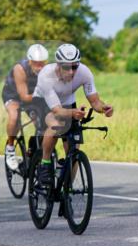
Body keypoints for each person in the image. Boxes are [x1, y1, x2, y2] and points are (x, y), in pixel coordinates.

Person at [31, 43, 114, 189]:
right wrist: (73, 113)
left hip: (67, 101)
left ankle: (66, 189)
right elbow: (57, 110)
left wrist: (103, 108)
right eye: (66, 67)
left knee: (74, 143)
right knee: (56, 125)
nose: (71, 72)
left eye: (74, 67)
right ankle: (45, 165)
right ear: (58, 65)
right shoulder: (46, 75)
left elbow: (94, 101)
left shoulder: (84, 73)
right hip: (43, 101)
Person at [2, 44, 49, 170]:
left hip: (34, 95)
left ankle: (33, 151)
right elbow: (24, 97)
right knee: (14, 116)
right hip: (14, 95)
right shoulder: (20, 69)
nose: (39, 67)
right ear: (29, 60)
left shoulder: (47, 69)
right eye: (36, 63)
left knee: (42, 122)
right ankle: (10, 148)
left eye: (42, 63)